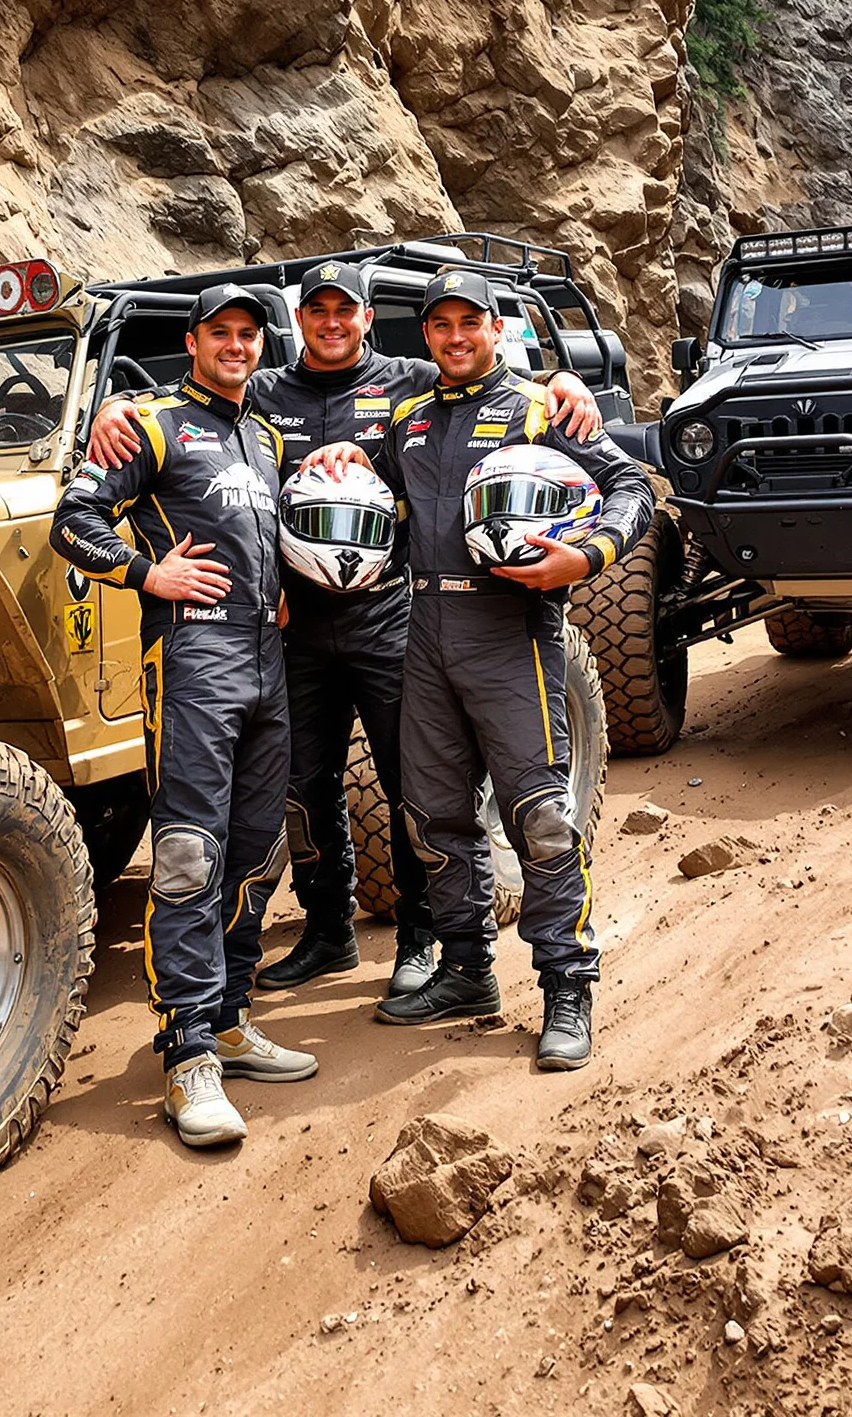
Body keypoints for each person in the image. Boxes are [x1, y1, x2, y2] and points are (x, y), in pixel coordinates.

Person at [86, 261, 603, 1002]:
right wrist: (121, 405)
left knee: (413, 782)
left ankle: (424, 941)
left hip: (394, 618)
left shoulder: (412, 379)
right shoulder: (263, 388)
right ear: (299, 320)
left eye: (346, 310)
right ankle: (328, 929)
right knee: (301, 785)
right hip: (292, 626)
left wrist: (565, 383)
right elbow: (194, 395)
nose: (331, 322)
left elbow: (486, 375)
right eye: (317, 310)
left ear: (368, 317)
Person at [309, 269, 653, 1072]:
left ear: (497, 328)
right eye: (441, 325)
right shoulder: (407, 419)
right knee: (431, 814)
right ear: (424, 336)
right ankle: (466, 971)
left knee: (538, 814)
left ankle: (569, 985)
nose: (456, 337)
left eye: (471, 322)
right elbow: (358, 487)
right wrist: (333, 459)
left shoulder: (542, 406)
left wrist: (589, 553)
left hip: (510, 631)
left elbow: (629, 484)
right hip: (421, 631)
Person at [50, 282, 313, 1148]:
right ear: (194, 342)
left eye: (249, 334)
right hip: (191, 657)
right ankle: (187, 1052)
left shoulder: (266, 433)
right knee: (188, 855)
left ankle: (232, 1019)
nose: (237, 345)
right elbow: (72, 520)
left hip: (266, 661)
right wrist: (144, 574)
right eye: (221, 333)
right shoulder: (156, 424)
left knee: (257, 843)